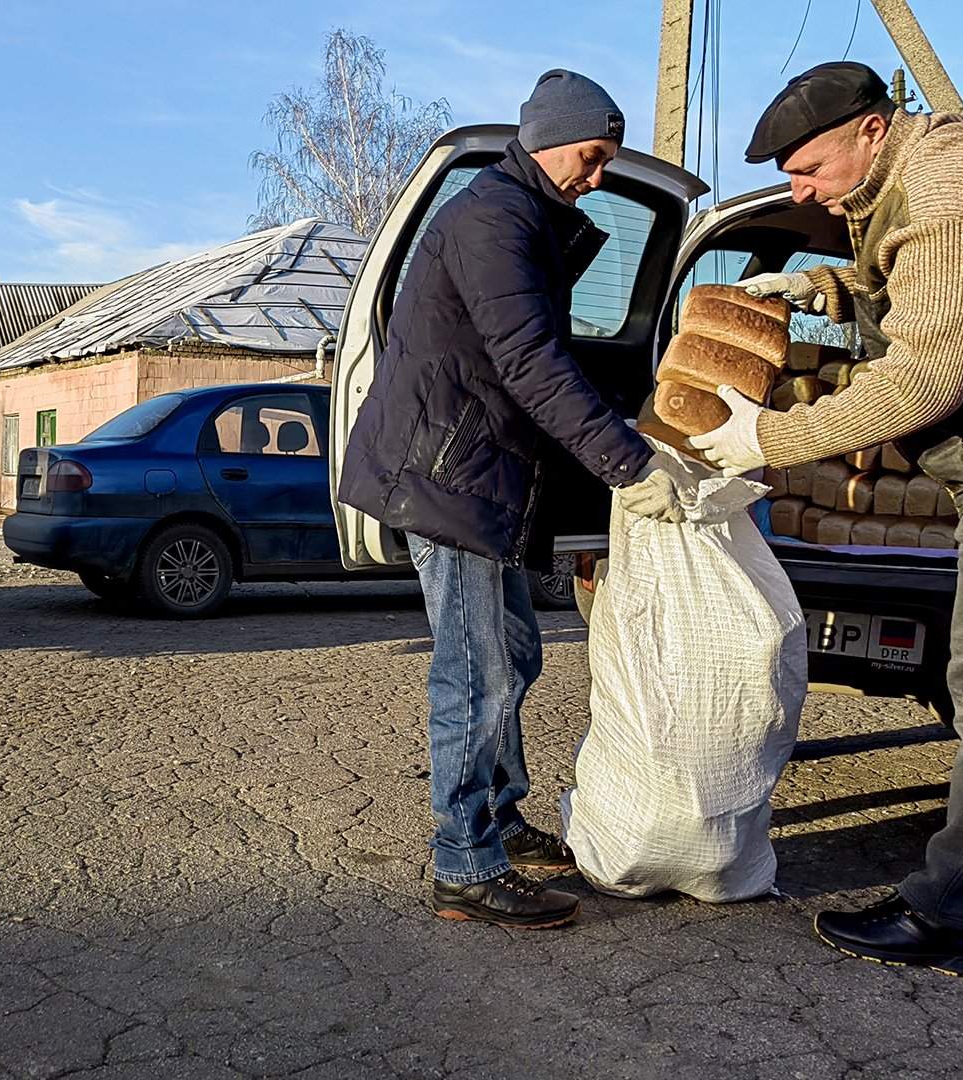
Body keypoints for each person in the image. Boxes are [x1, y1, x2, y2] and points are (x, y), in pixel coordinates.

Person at [691, 62, 963, 979]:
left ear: (873, 130)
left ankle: (951, 918)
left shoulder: (956, 190)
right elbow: (914, 291)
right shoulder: (916, 177)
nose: (798, 190)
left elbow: (925, 378)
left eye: (807, 168)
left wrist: (766, 437)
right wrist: (821, 293)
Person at [339, 70, 684, 929]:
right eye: (593, 157)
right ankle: (463, 863)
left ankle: (498, 819)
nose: (598, 177)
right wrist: (629, 464)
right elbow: (532, 362)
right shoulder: (495, 219)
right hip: (449, 477)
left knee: (513, 655)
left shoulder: (525, 215)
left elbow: (539, 362)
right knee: (476, 672)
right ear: (549, 140)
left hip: (483, 472)